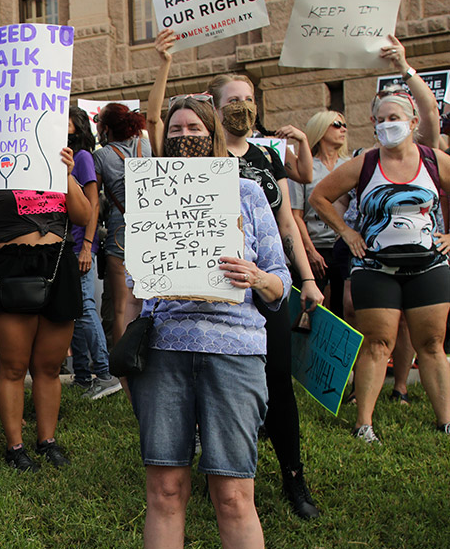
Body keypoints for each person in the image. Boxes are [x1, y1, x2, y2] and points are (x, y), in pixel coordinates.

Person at [135, 93, 289, 549]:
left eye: (194, 126)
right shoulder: (152, 194)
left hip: (236, 352)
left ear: (216, 132)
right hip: (166, 354)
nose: (183, 136)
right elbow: (135, 283)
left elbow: (280, 286)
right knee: (166, 491)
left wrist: (256, 277)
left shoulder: (248, 193)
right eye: (174, 130)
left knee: (233, 496)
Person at [149, 29, 324, 519]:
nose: (241, 107)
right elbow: (154, 122)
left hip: (252, 304)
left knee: (279, 383)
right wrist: (163, 66)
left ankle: (293, 476)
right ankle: (218, 468)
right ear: (217, 107)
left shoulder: (259, 169)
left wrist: (302, 279)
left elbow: (285, 223)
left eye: (249, 100)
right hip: (188, 318)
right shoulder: (165, 181)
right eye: (234, 100)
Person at [309, 84, 450, 442]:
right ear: (373, 124)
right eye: (381, 119)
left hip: (430, 266)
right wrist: (347, 233)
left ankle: (446, 421)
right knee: (376, 343)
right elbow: (320, 196)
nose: (388, 125)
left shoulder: (434, 160)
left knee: (432, 344)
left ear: (412, 121)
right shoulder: (366, 163)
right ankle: (364, 425)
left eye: (395, 118)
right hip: (375, 268)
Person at [0, 148, 91, 471]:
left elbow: (83, 215)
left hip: (57, 265)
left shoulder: (53, 158)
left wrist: (66, 174)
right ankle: (15, 446)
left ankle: (47, 441)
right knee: (13, 366)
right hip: (11, 268)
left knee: (49, 367)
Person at [67, 106, 119, 399]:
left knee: (85, 307)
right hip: (68, 246)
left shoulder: (83, 157)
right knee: (73, 311)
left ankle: (105, 373)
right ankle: (84, 376)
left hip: (79, 245)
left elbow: (93, 203)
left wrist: (87, 245)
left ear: (77, 125)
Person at [93, 103, 151, 347]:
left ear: (106, 128)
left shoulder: (101, 156)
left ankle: (121, 369)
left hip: (120, 231)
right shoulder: (146, 146)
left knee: (121, 307)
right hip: (151, 229)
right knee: (149, 301)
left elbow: (93, 200)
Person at [289, 110, 350, 316]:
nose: (343, 129)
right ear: (321, 129)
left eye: (344, 125)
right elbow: (295, 215)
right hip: (315, 246)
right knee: (309, 310)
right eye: (336, 124)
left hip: (346, 246)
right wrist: (310, 250)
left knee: (345, 308)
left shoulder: (350, 165)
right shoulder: (304, 167)